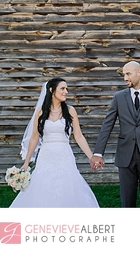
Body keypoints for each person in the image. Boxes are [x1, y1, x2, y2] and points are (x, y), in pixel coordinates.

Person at [10, 77, 99, 208]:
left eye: (67, 89)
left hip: (64, 156)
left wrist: (91, 157)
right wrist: (26, 162)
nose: (66, 91)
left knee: (67, 185)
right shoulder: (41, 112)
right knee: (42, 186)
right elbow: (34, 138)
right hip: (46, 156)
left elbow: (79, 136)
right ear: (52, 90)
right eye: (62, 88)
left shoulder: (70, 110)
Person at [91, 61, 140, 207]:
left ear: (139, 72)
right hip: (125, 156)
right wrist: (98, 153)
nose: (125, 78)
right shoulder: (119, 97)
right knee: (127, 203)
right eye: (123, 75)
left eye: (128, 74)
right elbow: (107, 125)